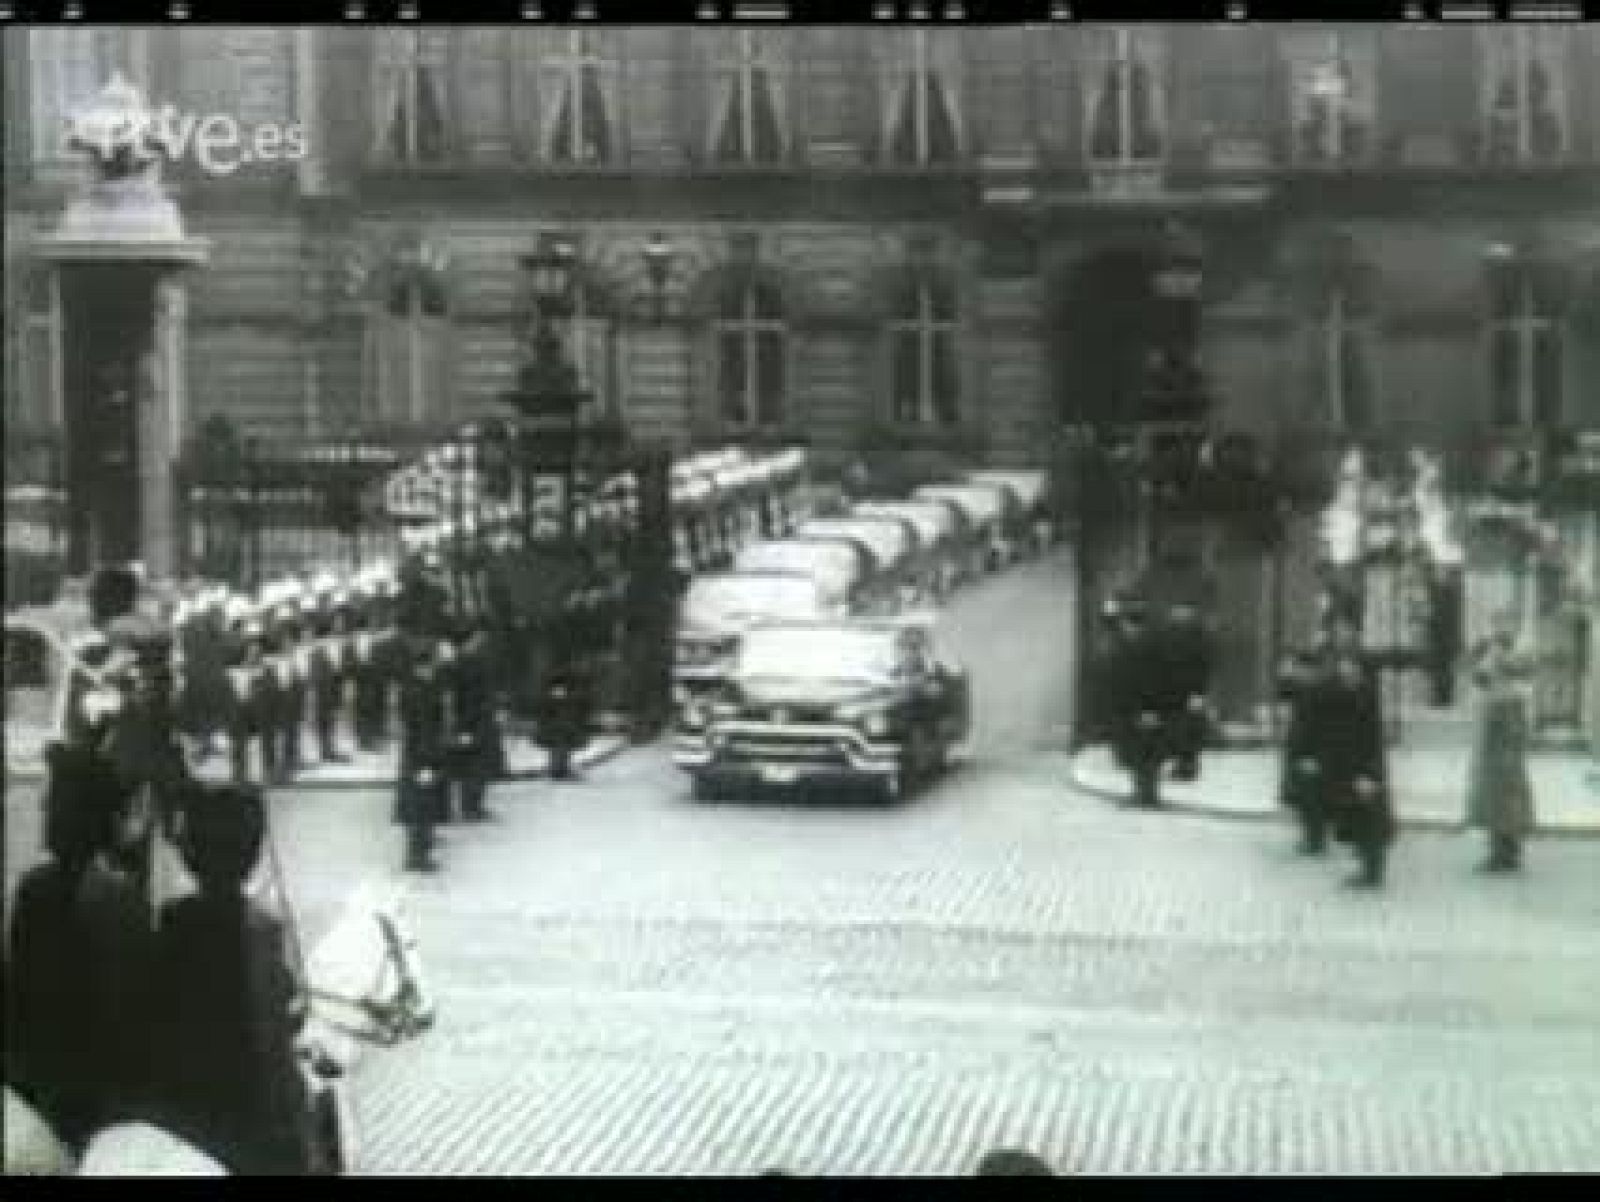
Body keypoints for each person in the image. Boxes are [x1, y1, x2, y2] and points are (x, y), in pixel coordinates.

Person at [149, 783, 317, 1175]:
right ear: (251, 857)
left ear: (191, 854)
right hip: (247, 1106)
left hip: (188, 1106)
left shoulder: (174, 923)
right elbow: (276, 1021)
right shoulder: (263, 929)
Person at [5, 741, 125, 1152]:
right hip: (80, 1077)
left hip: (65, 1076)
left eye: (55, 805)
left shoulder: (45, 891)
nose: (44, 814)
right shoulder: (116, 894)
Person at [1318, 637, 1394, 889]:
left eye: (1351, 666)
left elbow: (1373, 739)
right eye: (1343, 665)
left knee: (1369, 818)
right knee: (1355, 817)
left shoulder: (1366, 696)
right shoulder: (1341, 692)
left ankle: (1372, 870)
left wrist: (1370, 775)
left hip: (1365, 769)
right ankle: (1366, 865)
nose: (1346, 670)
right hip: (1348, 768)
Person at [1464, 613, 1537, 873]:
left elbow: (1524, 672)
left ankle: (1510, 849)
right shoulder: (1489, 648)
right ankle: (1497, 848)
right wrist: (1479, 656)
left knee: (1510, 789)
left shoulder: (1520, 651)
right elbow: (1478, 678)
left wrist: (1497, 656)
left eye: (1504, 624)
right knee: (1490, 789)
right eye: (1495, 624)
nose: (1498, 629)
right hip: (1492, 722)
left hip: (1509, 720)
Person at [1106, 598, 1171, 808]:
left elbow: (1133, 680)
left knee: (1139, 752)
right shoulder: (1156, 644)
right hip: (1147, 707)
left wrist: (1145, 709)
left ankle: (1143, 794)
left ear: (1129, 622)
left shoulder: (1131, 646)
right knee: (1147, 752)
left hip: (1137, 708)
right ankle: (1147, 794)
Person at [395, 638, 449, 872]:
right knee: (421, 807)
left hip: (416, 755)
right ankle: (416, 857)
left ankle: (421, 848)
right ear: (425, 665)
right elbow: (423, 730)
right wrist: (425, 764)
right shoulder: (420, 693)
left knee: (422, 806)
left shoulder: (415, 688)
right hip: (421, 756)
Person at [443, 616, 505, 822]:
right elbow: (465, 697)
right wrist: (465, 725)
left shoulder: (463, 662)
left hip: (477, 719)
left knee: (475, 765)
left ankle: (473, 805)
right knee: (474, 765)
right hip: (474, 721)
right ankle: (471, 807)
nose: (481, 640)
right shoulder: (467, 664)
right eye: (477, 637)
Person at [1278, 638, 1333, 855]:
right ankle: (1312, 838)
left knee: (1312, 799)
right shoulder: (1306, 687)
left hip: (1310, 753)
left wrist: (1313, 756)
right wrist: (1285, 673)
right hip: (1301, 750)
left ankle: (1315, 840)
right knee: (1305, 798)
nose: (1296, 672)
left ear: (1308, 669)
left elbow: (1318, 728)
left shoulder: (1317, 690)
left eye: (1299, 668)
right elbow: (1284, 691)